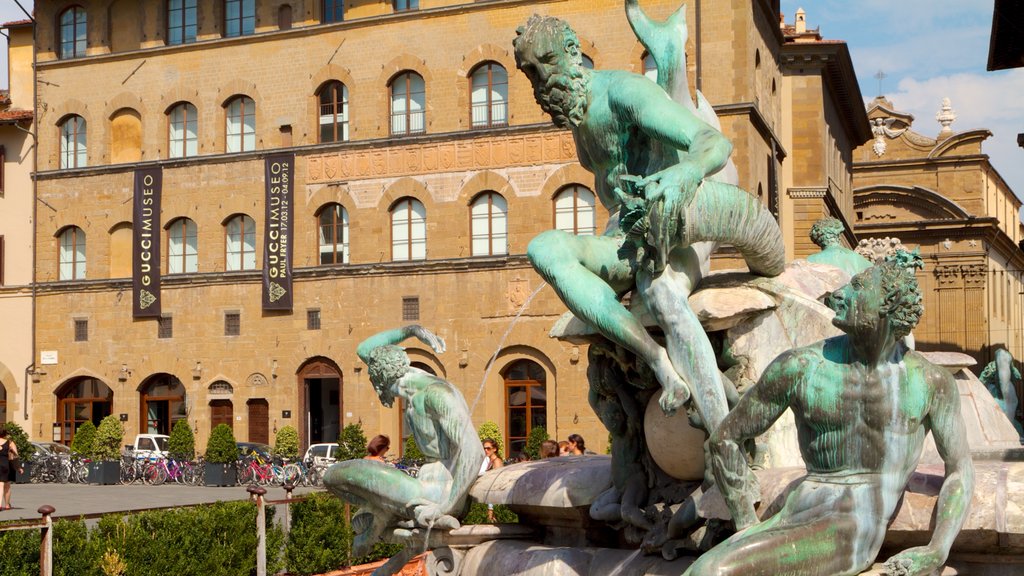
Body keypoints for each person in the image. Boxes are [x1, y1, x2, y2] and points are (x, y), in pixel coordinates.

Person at [513, 13, 783, 441]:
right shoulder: (577, 114)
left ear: (572, 52)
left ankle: (724, 445)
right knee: (544, 249)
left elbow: (713, 142)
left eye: (547, 60)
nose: (542, 77)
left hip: (677, 218)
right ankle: (657, 359)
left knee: (661, 292)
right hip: (626, 232)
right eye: (530, 70)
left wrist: (684, 174)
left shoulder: (623, 91)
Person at [688, 262, 974, 576]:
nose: (838, 294)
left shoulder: (930, 381)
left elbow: (960, 471)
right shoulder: (800, 367)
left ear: (887, 305)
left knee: (712, 572)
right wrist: (744, 522)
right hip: (798, 512)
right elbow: (725, 438)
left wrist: (937, 548)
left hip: (854, 527)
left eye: (857, 287)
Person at [324, 325, 485, 576]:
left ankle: (378, 519)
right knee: (343, 479)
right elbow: (364, 349)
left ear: (380, 381)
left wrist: (445, 506)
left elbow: (474, 453)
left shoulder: (436, 394)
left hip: (437, 493)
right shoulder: (411, 388)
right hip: (424, 487)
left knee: (335, 475)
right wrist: (412, 330)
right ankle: (379, 517)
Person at [0, 425, 21, 511]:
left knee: (1, 484)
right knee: (7, 485)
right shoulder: (9, 443)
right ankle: (7, 504)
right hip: (6, 465)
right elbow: (15, 455)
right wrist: (18, 467)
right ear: (5, 434)